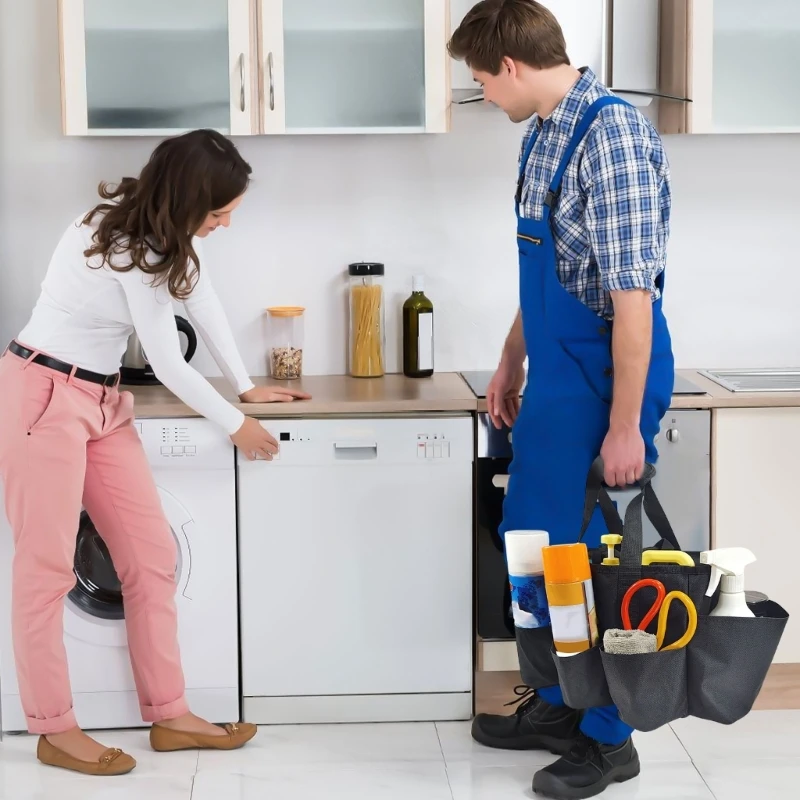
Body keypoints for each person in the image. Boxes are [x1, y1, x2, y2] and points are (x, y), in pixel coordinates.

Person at [0, 129, 310, 776]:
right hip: (41, 396)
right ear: (189, 199)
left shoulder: (168, 240)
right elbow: (168, 358)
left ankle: (170, 715)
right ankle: (54, 729)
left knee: (151, 556)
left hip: (102, 401)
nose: (225, 223)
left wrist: (248, 384)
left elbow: (203, 303)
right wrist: (236, 423)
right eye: (220, 212)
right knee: (46, 572)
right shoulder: (122, 246)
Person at [449, 2, 674, 798]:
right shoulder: (543, 133)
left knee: (589, 565)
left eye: (480, 80)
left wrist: (624, 426)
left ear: (509, 65)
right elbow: (542, 272)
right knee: (529, 549)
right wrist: (510, 360)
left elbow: (631, 302)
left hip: (610, 379)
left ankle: (611, 737)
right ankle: (557, 705)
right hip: (554, 373)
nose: (482, 95)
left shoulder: (612, 136)